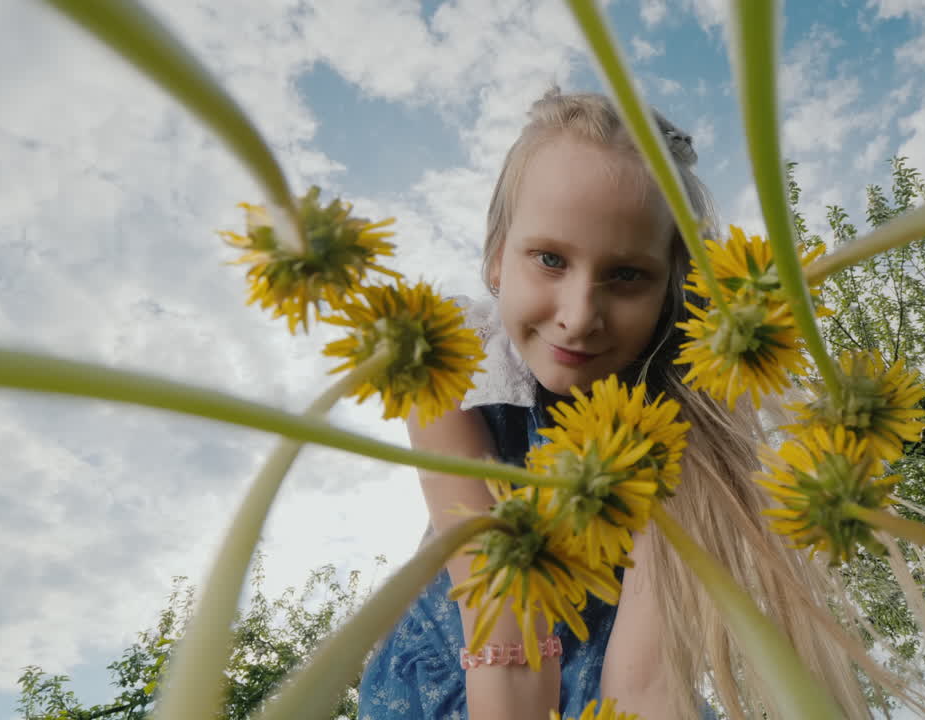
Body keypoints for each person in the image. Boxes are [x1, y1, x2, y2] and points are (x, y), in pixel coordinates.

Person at [358, 88, 870, 720]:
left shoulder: (685, 418)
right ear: (497, 260)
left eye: (626, 275)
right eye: (550, 259)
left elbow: (646, 682)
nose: (578, 318)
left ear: (671, 289)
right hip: (469, 669)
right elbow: (502, 627)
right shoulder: (445, 360)